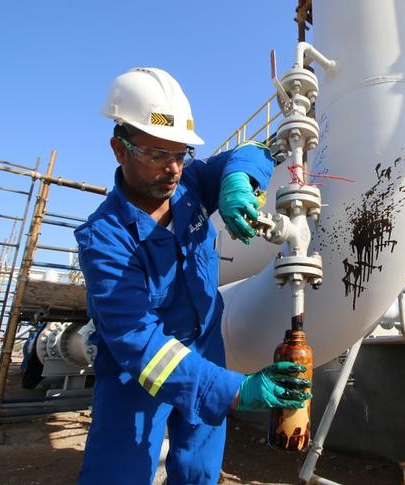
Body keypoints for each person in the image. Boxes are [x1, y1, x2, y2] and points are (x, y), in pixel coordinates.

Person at [74, 67, 311, 485]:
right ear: (119, 149)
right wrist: (236, 390)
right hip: (138, 371)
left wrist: (239, 179)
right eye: (155, 154)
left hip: (204, 348)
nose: (172, 169)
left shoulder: (190, 187)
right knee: (118, 472)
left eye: (180, 153)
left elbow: (254, 149)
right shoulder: (104, 240)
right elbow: (138, 341)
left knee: (200, 472)